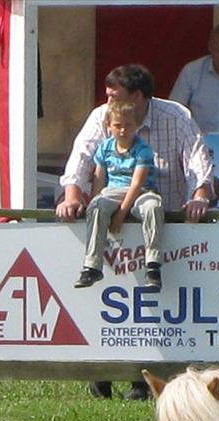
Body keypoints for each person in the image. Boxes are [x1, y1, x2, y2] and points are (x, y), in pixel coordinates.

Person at [57, 63, 215, 400]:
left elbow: (198, 165)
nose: (108, 99)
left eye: (116, 94)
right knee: (108, 301)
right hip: (115, 229)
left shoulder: (176, 117)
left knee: (154, 303)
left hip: (160, 223)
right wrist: (73, 194)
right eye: (108, 94)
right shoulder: (102, 116)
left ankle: (144, 378)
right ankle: (101, 369)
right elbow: (82, 159)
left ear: (139, 97)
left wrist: (200, 195)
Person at [74, 100, 163, 291]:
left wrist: (121, 214)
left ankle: (153, 264)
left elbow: (137, 183)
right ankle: (92, 265)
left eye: (128, 125)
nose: (123, 130)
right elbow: (99, 178)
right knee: (97, 206)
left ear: (137, 126)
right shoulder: (105, 148)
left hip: (140, 191)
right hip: (112, 191)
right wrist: (96, 202)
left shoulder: (143, 150)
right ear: (109, 126)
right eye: (117, 125)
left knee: (152, 207)